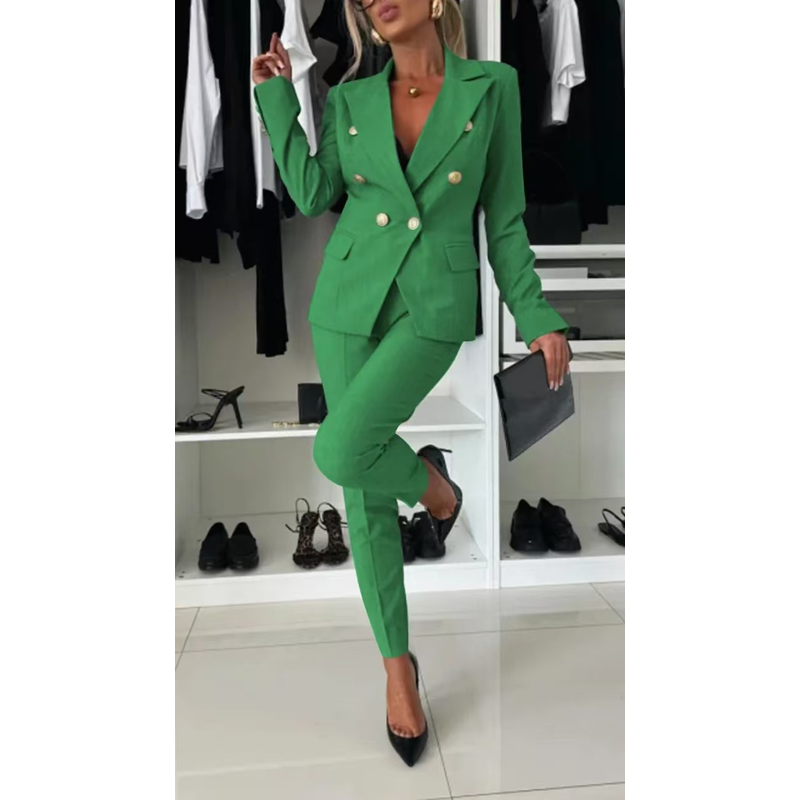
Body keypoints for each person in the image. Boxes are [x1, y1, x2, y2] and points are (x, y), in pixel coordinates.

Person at [253, 0, 569, 767]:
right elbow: (311, 192)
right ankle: (399, 670)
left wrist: (535, 312)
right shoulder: (352, 97)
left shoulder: (493, 87)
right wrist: (275, 99)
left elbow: (504, 220)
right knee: (362, 494)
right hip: (346, 303)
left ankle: (435, 489)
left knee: (341, 449)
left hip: (432, 308)